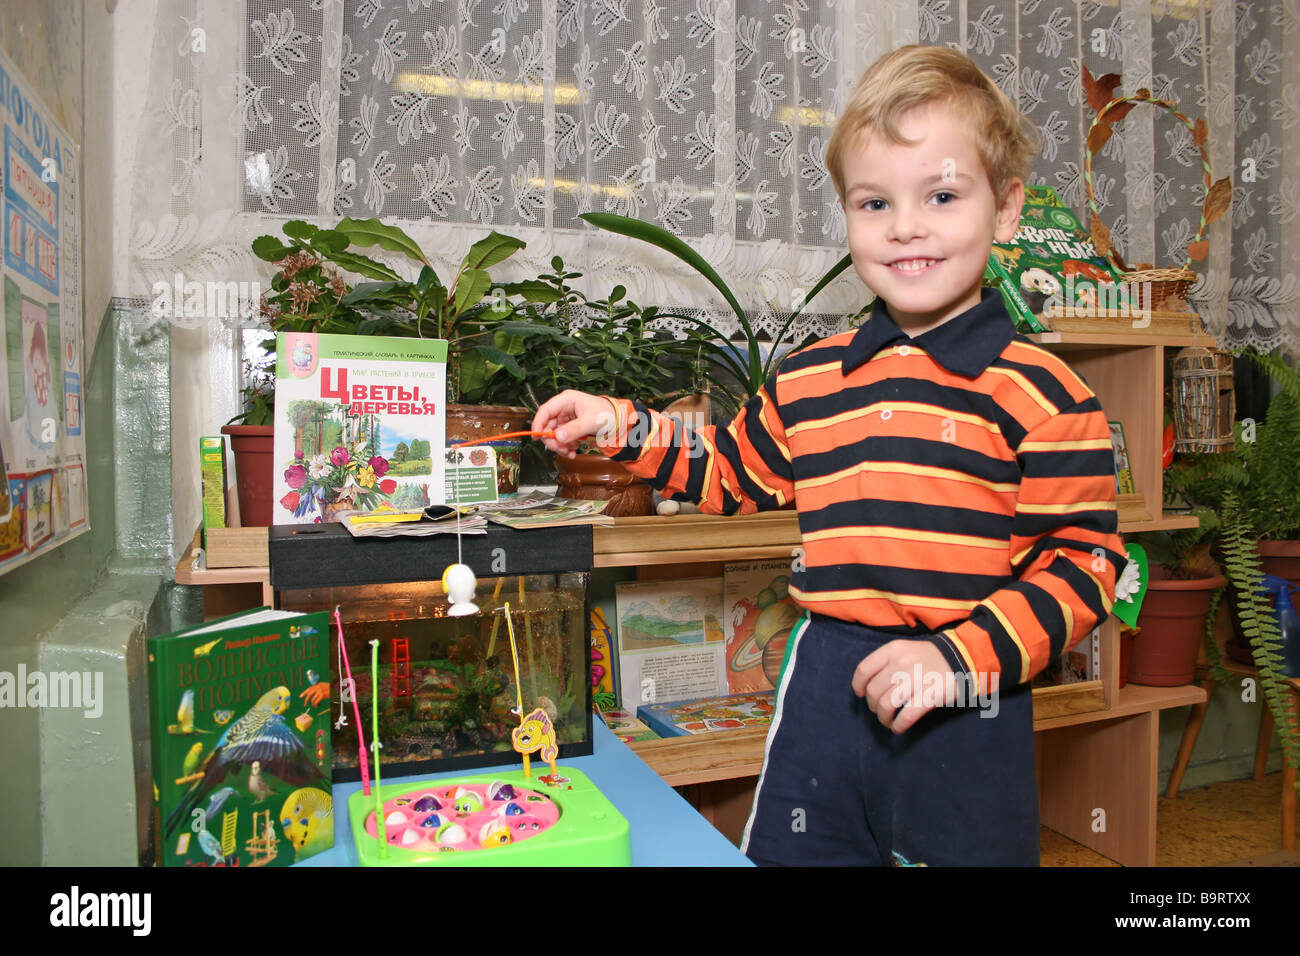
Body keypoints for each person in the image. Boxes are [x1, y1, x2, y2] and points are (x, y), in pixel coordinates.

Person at [532, 44, 1127, 866]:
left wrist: (959, 659)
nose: (906, 226)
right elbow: (733, 469)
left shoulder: (1046, 392)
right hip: (824, 687)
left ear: (1006, 210)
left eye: (943, 196)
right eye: (875, 202)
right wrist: (621, 425)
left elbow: (1084, 563)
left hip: (968, 691)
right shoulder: (812, 376)